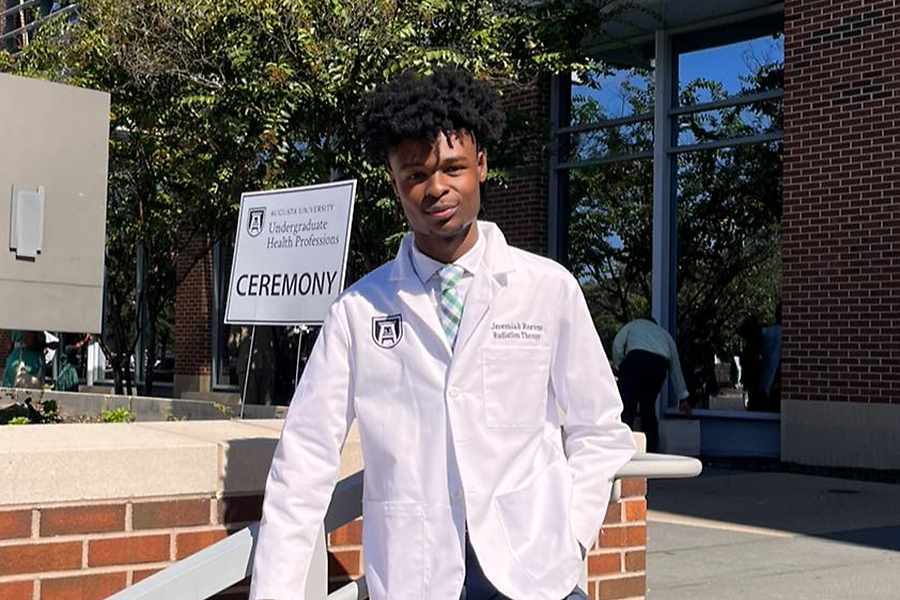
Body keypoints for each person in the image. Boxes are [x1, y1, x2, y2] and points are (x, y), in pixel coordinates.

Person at [249, 68, 636, 600]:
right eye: (415, 174)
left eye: (453, 167)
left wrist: (572, 535)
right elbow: (305, 461)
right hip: (417, 577)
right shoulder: (357, 312)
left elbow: (599, 429)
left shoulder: (548, 289)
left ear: (481, 165)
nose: (437, 188)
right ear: (393, 180)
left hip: (535, 573)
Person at [612, 317, 691, 453]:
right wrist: (683, 397)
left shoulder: (634, 324)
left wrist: (620, 366)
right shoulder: (665, 335)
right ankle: (650, 450)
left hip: (635, 361)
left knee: (626, 408)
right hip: (658, 366)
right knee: (648, 409)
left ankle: (621, 448)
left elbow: (617, 344)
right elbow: (675, 367)